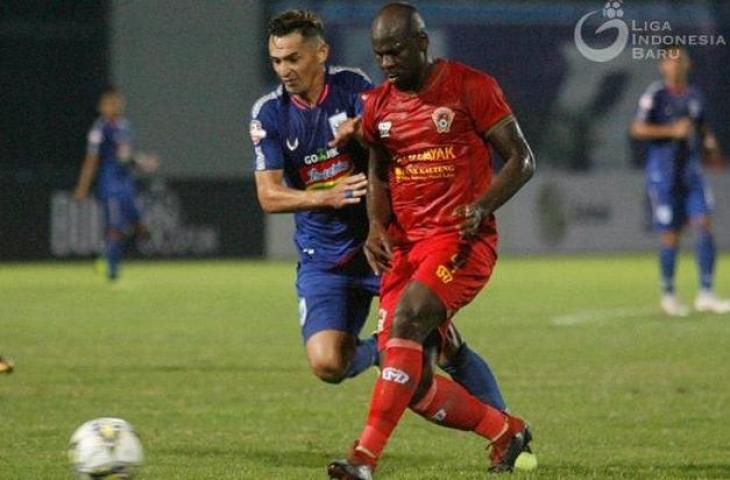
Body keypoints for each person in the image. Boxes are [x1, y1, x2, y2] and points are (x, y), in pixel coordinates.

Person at [250, 9, 508, 410]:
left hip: (385, 248)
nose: (284, 70)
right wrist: (326, 195)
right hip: (324, 257)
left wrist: (362, 137)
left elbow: (390, 144)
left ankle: (506, 428)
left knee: (443, 352)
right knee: (327, 363)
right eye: (276, 61)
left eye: (293, 58)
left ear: (321, 53)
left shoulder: (356, 87)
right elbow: (269, 195)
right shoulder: (270, 113)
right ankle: (380, 350)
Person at [327, 3, 535, 478]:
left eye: (395, 52)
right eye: (379, 54)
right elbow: (378, 171)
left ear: (422, 43)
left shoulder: (470, 86)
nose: (386, 63)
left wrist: (481, 206)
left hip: (460, 241)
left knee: (407, 317)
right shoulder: (376, 103)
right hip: (404, 248)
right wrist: (376, 226)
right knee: (412, 382)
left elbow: (522, 160)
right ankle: (506, 431)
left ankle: (363, 459)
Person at [631, 45, 730, 316]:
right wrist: (670, 130)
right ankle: (669, 294)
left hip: (691, 172)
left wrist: (709, 142)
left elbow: (701, 126)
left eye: (680, 60)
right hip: (664, 174)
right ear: (663, 66)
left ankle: (706, 293)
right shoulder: (656, 95)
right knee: (671, 234)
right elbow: (637, 128)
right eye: (671, 60)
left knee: (705, 225)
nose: (676, 65)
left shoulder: (695, 96)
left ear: (688, 65)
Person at [74, 88, 158, 281]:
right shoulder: (99, 129)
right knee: (115, 227)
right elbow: (91, 160)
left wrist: (144, 162)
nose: (114, 106)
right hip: (110, 184)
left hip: (126, 184)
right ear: (102, 107)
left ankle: (105, 257)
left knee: (142, 227)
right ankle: (112, 272)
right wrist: (82, 187)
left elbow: (128, 156)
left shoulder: (125, 126)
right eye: (110, 103)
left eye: (117, 102)